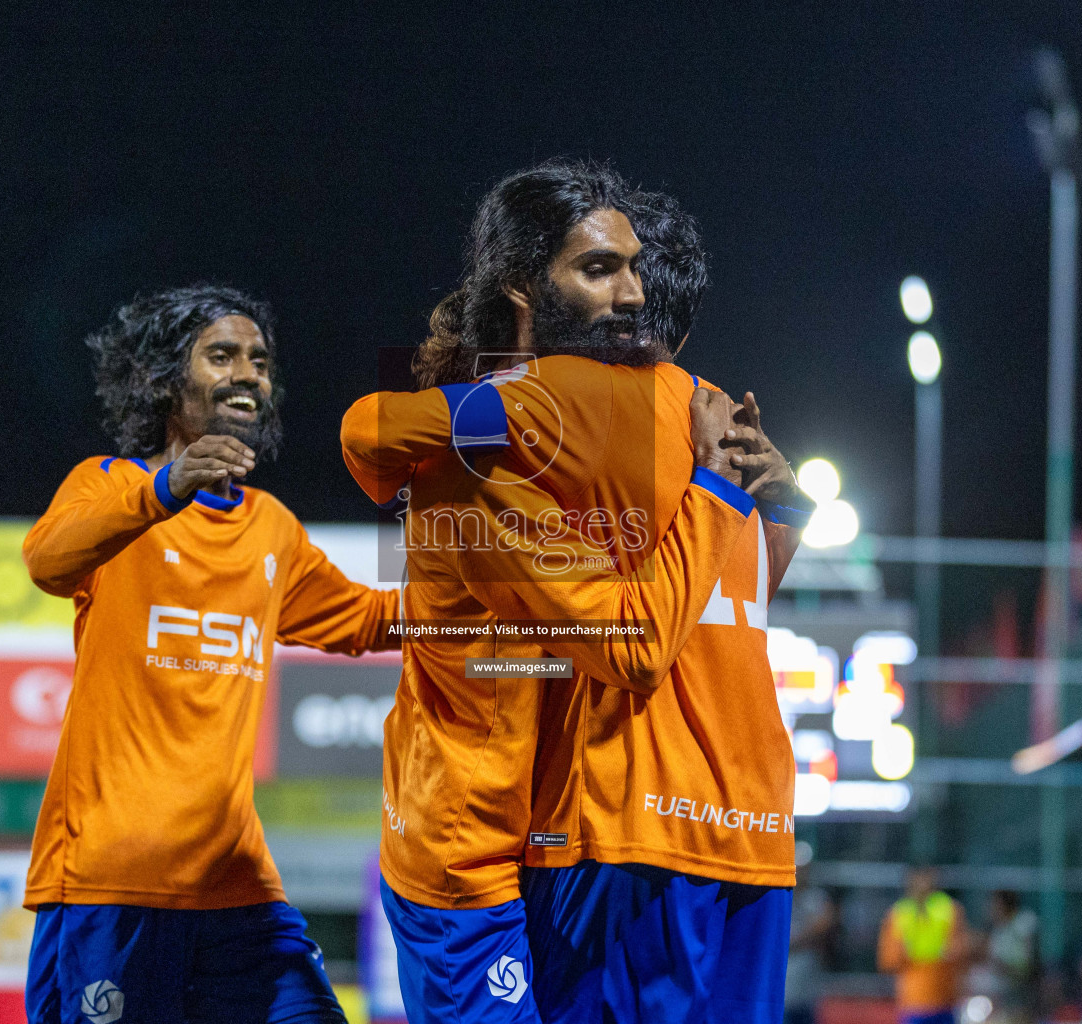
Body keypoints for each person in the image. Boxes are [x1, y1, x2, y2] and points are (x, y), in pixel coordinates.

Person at [340, 162, 810, 1023]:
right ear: (524, 289)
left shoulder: (545, 424)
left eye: (633, 270)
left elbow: (671, 627)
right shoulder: (710, 417)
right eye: (601, 270)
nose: (629, 295)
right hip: (728, 835)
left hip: (606, 834)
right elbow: (728, 603)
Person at [20, 285, 401, 1024]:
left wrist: (494, 606)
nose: (249, 374)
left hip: (237, 886)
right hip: (113, 880)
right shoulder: (112, 488)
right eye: (221, 355)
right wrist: (167, 487)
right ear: (168, 380)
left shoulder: (272, 528)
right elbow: (47, 562)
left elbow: (367, 619)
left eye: (260, 361)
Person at [878, 867, 971, 1024]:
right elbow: (887, 960)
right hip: (915, 1001)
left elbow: (962, 951)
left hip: (945, 999)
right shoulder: (898, 913)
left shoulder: (950, 909)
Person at [967, 891, 1037, 1024]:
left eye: (994, 904)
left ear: (1003, 905)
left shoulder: (1023, 925)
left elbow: (1025, 966)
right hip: (999, 995)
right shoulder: (997, 930)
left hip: (1019, 993)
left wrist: (999, 964)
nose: (991, 909)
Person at [785, 857, 837, 1024]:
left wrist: (794, 941)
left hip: (808, 991)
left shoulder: (817, 897)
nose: (800, 873)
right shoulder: (780, 896)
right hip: (783, 992)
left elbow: (825, 924)